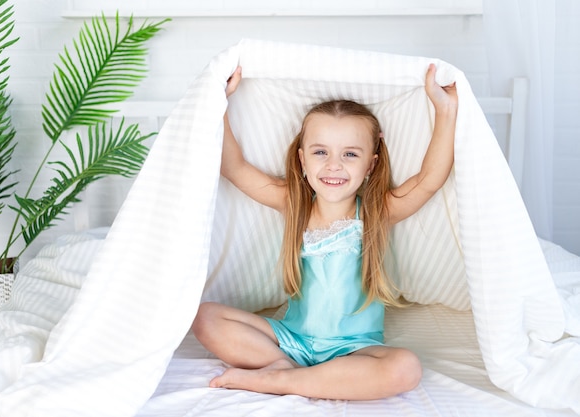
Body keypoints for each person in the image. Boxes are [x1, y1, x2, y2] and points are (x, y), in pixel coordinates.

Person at [192, 64, 458, 400]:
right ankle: (285, 369)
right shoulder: (294, 203)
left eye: (350, 154)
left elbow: (429, 179)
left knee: (405, 368)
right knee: (204, 317)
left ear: (371, 164)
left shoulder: (378, 211)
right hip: (292, 341)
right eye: (321, 152)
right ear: (303, 160)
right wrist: (220, 102)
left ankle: (281, 381)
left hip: (355, 349)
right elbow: (234, 167)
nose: (334, 165)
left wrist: (445, 111)